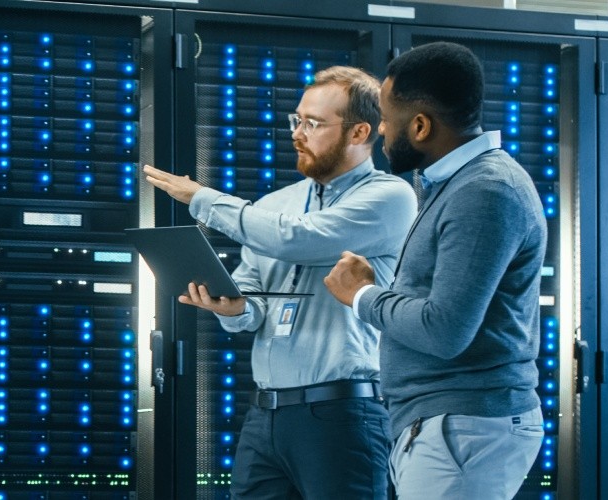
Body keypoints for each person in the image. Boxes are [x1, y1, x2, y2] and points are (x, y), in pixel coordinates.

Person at [143, 66, 417, 499]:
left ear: (359, 132)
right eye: (297, 120)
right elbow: (252, 299)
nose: (298, 133)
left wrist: (202, 198)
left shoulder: (389, 197)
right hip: (266, 415)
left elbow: (299, 239)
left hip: (342, 412)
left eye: (313, 123)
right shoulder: (273, 206)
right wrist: (234, 309)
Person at [323, 42, 546, 499]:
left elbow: (445, 330)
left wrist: (364, 296)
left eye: (386, 118)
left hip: (465, 427)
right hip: (447, 424)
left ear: (421, 125)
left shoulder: (486, 193)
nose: (379, 132)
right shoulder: (454, 185)